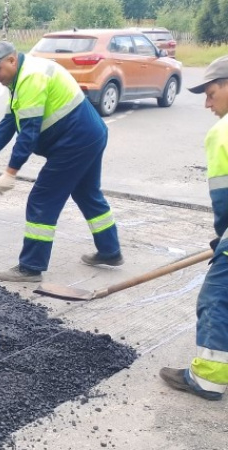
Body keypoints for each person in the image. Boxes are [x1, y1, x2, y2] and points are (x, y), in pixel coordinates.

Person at [0, 41, 123, 282]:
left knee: (42, 199)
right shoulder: (19, 79)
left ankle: (31, 267)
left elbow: (29, 132)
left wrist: (11, 172)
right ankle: (110, 251)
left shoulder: (31, 78)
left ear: (12, 60)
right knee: (87, 193)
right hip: (89, 135)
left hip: (74, 142)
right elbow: (10, 121)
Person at [159, 55, 228, 401]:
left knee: (217, 299)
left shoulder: (223, 132)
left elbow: (224, 197)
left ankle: (208, 380)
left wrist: (223, 238)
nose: (206, 103)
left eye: (212, 93)